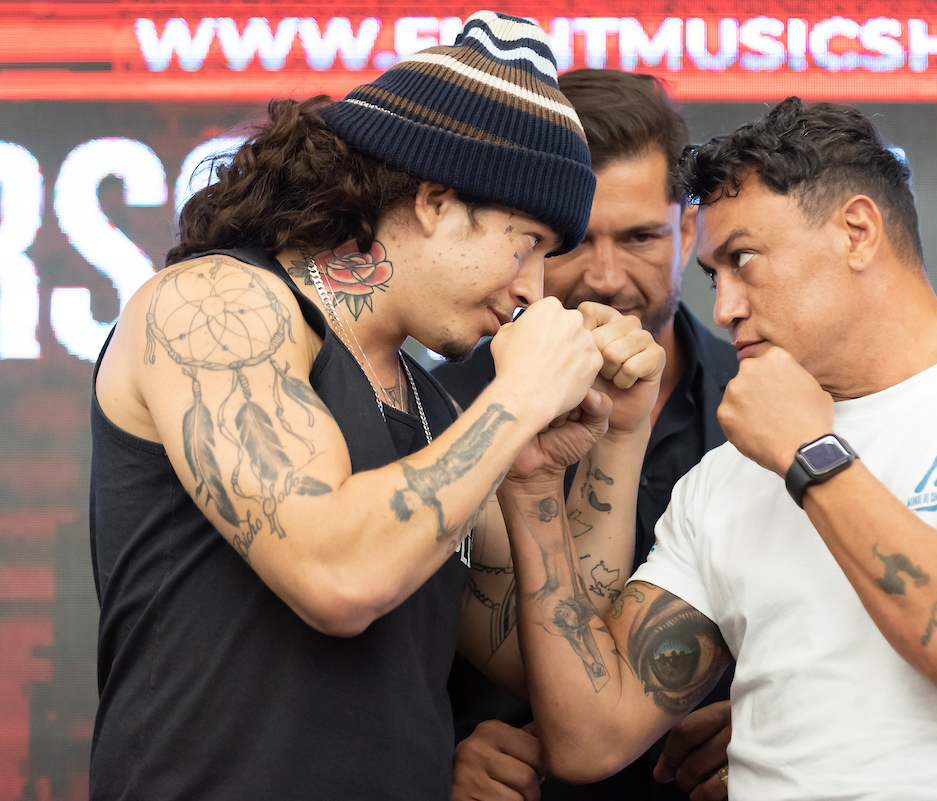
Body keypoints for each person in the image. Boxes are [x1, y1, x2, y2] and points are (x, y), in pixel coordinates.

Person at [498, 97, 937, 800]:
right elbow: (590, 735)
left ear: (856, 232)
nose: (723, 308)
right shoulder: (725, 477)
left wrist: (809, 450)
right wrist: (532, 484)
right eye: (714, 276)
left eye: (744, 260)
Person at [88, 12, 665, 800]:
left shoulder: (432, 410)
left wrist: (615, 436)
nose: (534, 289)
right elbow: (336, 575)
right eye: (525, 243)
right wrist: (518, 399)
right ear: (435, 201)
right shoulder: (216, 303)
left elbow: (549, 666)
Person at [435, 69, 739, 801]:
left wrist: (776, 719)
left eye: (639, 237)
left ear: (687, 231)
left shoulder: (768, 407)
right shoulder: (444, 409)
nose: (605, 277)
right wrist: (432, 756)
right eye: (575, 242)